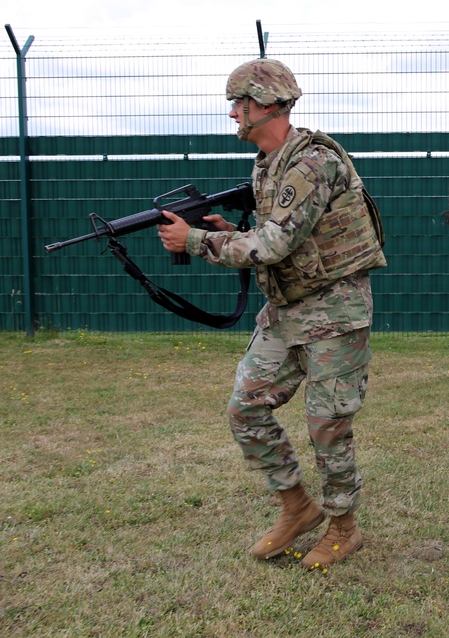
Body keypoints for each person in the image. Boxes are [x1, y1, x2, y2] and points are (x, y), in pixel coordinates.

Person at [157, 58, 386, 570]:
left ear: (265, 103)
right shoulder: (267, 163)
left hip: (335, 312)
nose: (234, 114)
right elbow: (278, 233)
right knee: (246, 406)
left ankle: (343, 528)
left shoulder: (310, 163)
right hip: (288, 310)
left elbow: (276, 243)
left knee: (327, 423)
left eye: (238, 103)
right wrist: (228, 231)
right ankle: (296, 506)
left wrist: (195, 239)